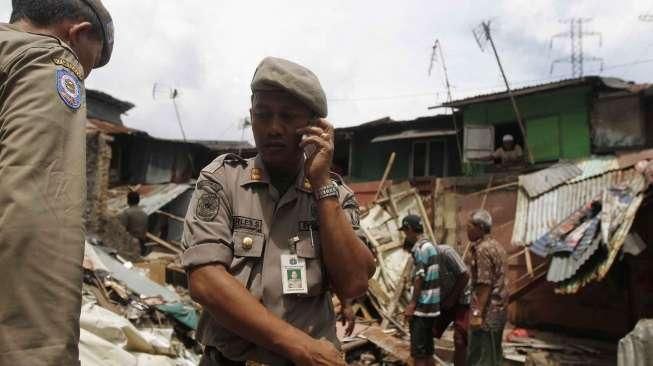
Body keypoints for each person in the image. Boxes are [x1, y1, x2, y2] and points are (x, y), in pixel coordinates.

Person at [181, 57, 376, 365]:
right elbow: (204, 280)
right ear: (251, 116)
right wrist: (300, 346)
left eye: (287, 116)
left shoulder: (334, 195)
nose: (273, 128)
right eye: (262, 115)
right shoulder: (222, 180)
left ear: (315, 126)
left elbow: (353, 282)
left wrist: (322, 184)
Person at [0, 1, 113, 365]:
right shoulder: (46, 62)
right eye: (89, 65)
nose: (84, 75)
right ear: (77, 33)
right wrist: (41, 354)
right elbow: (37, 214)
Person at [466, 209, 508, 366]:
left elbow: (484, 284)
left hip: (486, 316)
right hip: (499, 312)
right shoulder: (497, 246)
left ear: (480, 228)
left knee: (480, 359)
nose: (466, 230)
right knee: (494, 357)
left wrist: (477, 313)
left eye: (469, 226)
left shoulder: (482, 249)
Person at [401, 214, 440, 366]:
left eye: (405, 231)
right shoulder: (430, 246)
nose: (405, 235)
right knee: (428, 351)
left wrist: (411, 305)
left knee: (418, 355)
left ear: (410, 229)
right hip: (432, 308)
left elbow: (419, 277)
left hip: (422, 308)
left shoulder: (420, 248)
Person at [432, 243, 470, 366]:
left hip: (462, 299)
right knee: (428, 332)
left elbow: (465, 275)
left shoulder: (445, 252)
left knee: (460, 339)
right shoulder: (420, 261)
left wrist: (452, 298)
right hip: (443, 300)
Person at [120, 191, 150, 256]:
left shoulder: (126, 213)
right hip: (141, 243)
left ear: (128, 200)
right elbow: (145, 230)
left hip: (130, 243)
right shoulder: (144, 214)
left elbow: (121, 230)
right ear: (138, 201)